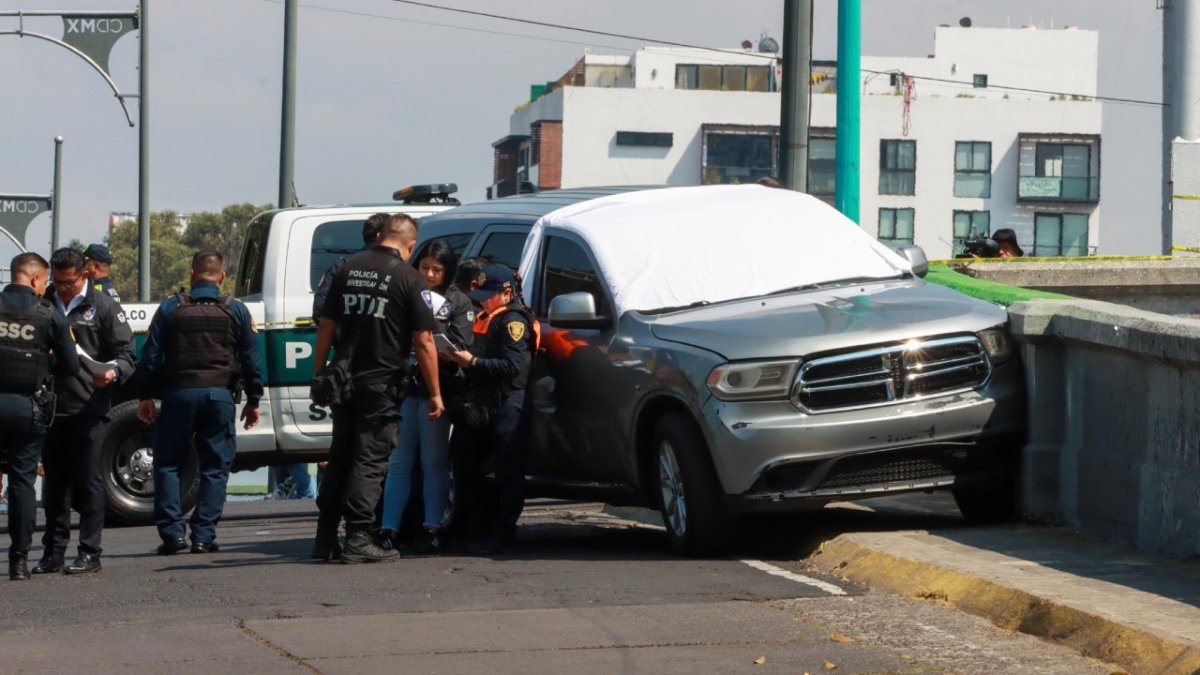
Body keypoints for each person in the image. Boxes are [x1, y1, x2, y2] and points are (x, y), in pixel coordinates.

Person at [310, 213, 443, 564]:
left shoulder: (347, 267)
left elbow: (326, 324)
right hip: (381, 383)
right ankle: (358, 537)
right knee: (369, 461)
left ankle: (324, 538)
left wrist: (319, 372)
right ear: (410, 246)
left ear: (381, 235)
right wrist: (435, 392)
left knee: (340, 457)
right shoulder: (410, 279)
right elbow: (425, 341)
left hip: (343, 379)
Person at [136, 251, 263, 555]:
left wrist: (145, 396)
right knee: (215, 467)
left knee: (167, 463)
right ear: (222, 277)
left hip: (179, 395)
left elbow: (150, 357)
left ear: (192, 274)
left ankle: (172, 535)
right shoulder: (237, 311)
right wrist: (254, 399)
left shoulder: (170, 308)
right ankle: (203, 536)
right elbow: (250, 359)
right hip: (219, 396)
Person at [35, 248, 135, 575]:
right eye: (57, 281)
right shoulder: (45, 305)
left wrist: (113, 372)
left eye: (67, 282)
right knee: (55, 486)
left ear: (84, 276)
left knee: (89, 482)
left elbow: (126, 355)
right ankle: (53, 553)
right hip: (52, 408)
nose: (61, 288)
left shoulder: (103, 306)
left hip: (91, 406)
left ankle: (90, 552)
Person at [379, 241, 474, 554]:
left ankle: (433, 526)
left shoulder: (458, 300)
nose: (430, 274)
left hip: (439, 391)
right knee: (399, 463)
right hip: (405, 389)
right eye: (425, 267)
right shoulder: (405, 291)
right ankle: (389, 528)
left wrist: (433, 346)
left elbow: (461, 344)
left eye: (437, 269)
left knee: (434, 462)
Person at [447, 263, 536, 555]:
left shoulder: (513, 321)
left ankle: (503, 534)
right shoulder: (486, 317)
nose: (482, 299)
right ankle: (476, 530)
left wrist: (471, 363)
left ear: (507, 292)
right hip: (483, 403)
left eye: (489, 294)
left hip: (508, 401)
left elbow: (512, 366)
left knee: (507, 471)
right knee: (471, 468)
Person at [1, 252, 79, 580]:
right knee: (22, 483)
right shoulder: (48, 315)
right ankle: (19, 562)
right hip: (24, 407)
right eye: (45, 281)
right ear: (34, 278)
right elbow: (71, 367)